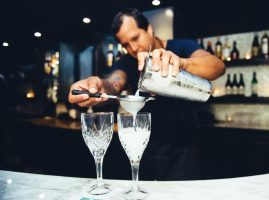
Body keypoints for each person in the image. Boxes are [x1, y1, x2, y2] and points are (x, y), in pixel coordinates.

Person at [69, 8, 225, 180]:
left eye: (135, 38)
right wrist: (100, 86)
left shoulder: (181, 46)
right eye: (125, 44)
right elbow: (116, 82)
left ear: (149, 29)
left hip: (183, 149)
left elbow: (217, 66)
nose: (133, 48)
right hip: (144, 151)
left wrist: (181, 62)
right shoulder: (128, 62)